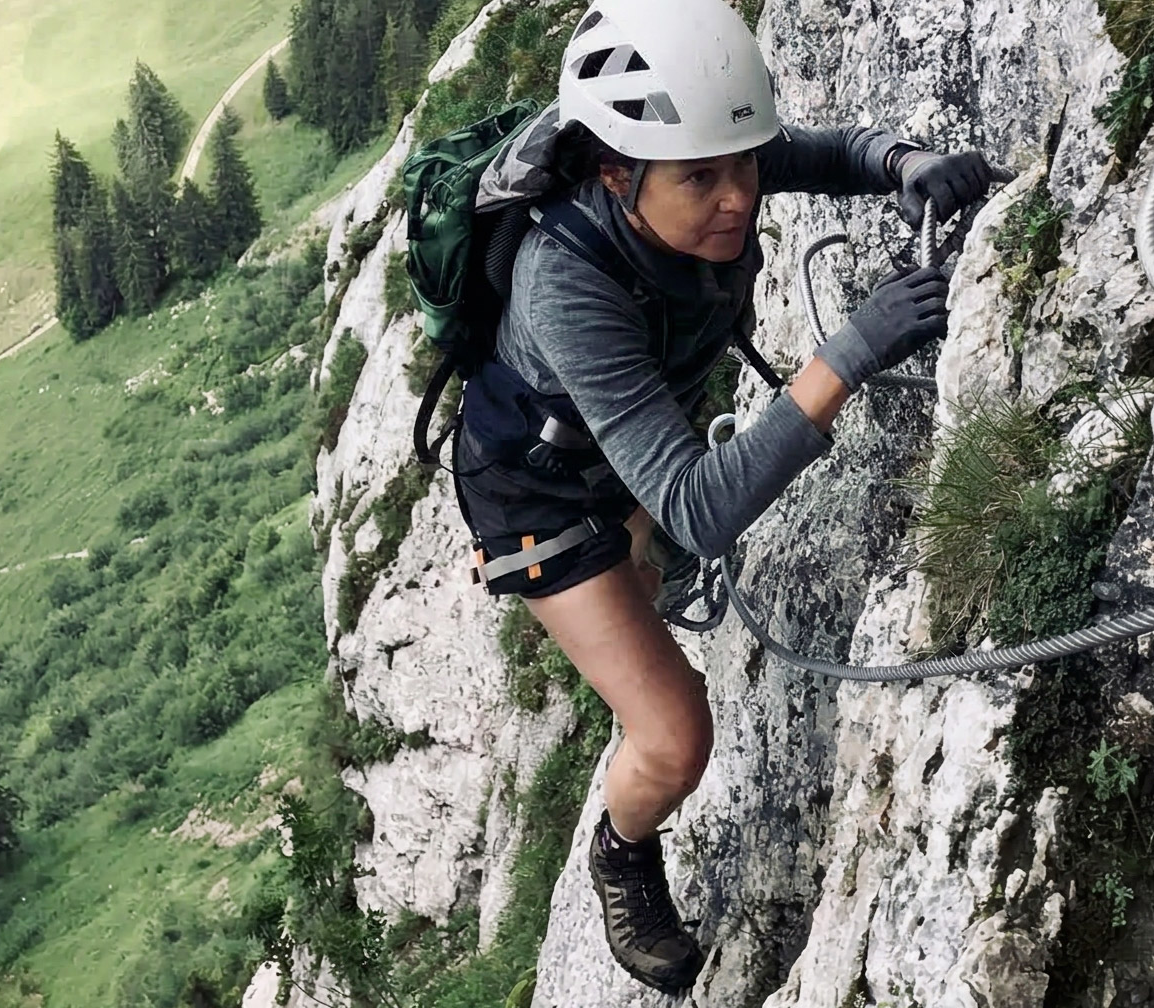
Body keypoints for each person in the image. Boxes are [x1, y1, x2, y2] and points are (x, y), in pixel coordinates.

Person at [449, 0, 1011, 993]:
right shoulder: (563, 284)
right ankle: (622, 851)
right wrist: (848, 354)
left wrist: (901, 161)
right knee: (673, 735)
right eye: (702, 179)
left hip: (621, 443)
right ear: (616, 174)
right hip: (536, 496)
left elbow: (823, 153)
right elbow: (697, 510)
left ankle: (621, 612)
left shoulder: (701, 163)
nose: (737, 198)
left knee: (646, 591)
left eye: (742, 165)